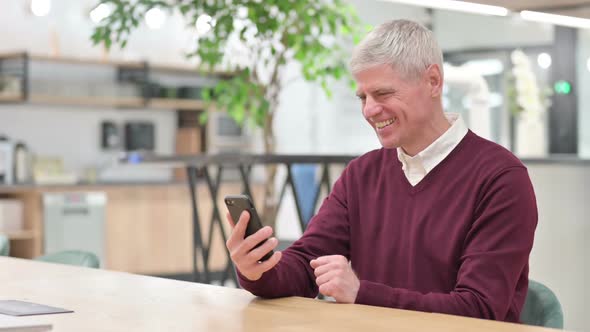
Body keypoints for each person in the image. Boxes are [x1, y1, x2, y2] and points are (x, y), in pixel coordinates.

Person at [224, 19, 537, 323]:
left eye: (383, 94)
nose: (369, 110)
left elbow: (478, 310)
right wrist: (259, 270)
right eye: (363, 97)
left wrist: (362, 293)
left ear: (433, 82)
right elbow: (307, 266)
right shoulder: (361, 174)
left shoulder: (501, 179)